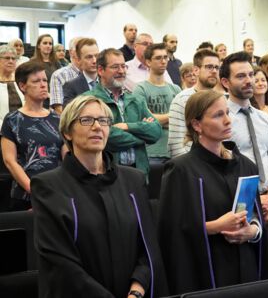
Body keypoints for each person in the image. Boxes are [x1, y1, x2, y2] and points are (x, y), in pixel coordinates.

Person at [31, 95, 168, 298]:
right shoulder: (48, 186)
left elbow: (148, 246)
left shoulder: (133, 179)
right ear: (68, 132)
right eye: (86, 120)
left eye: (103, 120)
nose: (97, 127)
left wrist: (137, 290)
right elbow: (60, 261)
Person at [158, 90, 268, 295]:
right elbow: (170, 230)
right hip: (207, 270)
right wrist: (215, 227)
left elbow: (255, 216)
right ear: (196, 124)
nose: (228, 120)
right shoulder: (181, 170)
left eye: (227, 113)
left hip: (245, 264)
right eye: (218, 115)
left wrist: (253, 231)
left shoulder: (245, 165)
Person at [85, 48, 161, 178]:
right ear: (100, 70)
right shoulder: (90, 101)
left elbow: (156, 131)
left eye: (123, 66)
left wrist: (127, 127)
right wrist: (142, 136)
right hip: (107, 173)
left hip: (139, 173)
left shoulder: (136, 100)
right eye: (115, 67)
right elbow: (107, 137)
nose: (121, 71)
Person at [220, 52, 268, 223]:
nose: (249, 80)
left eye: (251, 74)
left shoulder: (265, 119)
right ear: (225, 82)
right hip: (236, 200)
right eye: (241, 76)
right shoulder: (221, 120)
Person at [1, 61, 64, 211]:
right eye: (36, 81)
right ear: (23, 86)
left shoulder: (57, 118)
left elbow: (67, 156)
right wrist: (34, 191)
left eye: (44, 80)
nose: (43, 85)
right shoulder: (12, 120)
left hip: (57, 192)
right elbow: (10, 161)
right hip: (26, 195)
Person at [133, 43, 181, 164]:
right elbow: (144, 121)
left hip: (176, 151)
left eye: (165, 57)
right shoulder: (140, 89)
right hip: (152, 152)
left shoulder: (176, 89)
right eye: (158, 58)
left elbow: (183, 119)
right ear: (148, 62)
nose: (163, 61)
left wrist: (158, 121)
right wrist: (172, 117)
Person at [168, 48, 220, 158]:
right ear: (196, 70)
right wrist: (190, 169)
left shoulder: (221, 100)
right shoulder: (182, 99)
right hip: (192, 166)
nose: (214, 71)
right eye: (209, 67)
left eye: (217, 67)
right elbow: (176, 144)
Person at [63, 38, 99, 106]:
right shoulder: (71, 86)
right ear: (79, 60)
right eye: (89, 57)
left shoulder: (108, 83)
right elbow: (68, 114)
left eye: (97, 56)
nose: (94, 61)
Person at [49, 37, 82, 114]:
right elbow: (59, 109)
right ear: (71, 52)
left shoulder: (96, 75)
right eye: (79, 48)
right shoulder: (59, 75)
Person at [0, 45, 24, 125]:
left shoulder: (21, 81)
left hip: (22, 127)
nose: (11, 61)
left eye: (13, 58)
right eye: (7, 58)